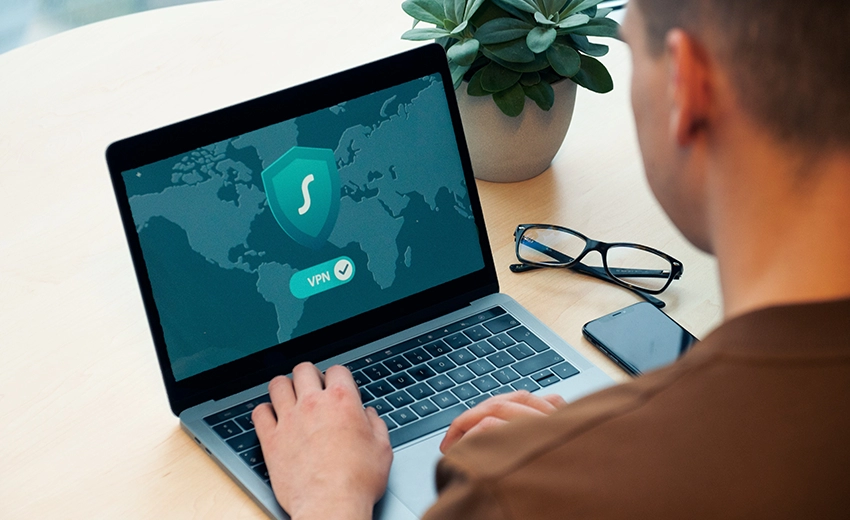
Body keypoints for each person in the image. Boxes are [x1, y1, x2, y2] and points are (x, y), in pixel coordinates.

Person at [252, 0, 850, 517]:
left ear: (687, 89)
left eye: (635, 52)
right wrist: (590, 456)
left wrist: (330, 498)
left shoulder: (519, 494)